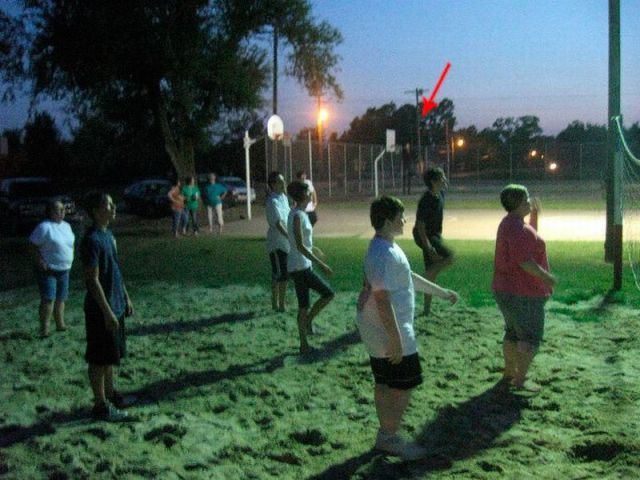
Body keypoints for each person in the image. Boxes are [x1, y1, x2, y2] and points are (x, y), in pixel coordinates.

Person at [357, 195, 458, 460]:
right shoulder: (383, 253)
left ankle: (386, 434)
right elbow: (381, 298)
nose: (405, 220)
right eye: (400, 216)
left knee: (385, 382)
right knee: (404, 383)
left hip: (379, 327)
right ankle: (389, 436)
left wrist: (441, 292)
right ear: (388, 221)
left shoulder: (384, 247)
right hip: (390, 328)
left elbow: (407, 278)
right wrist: (395, 338)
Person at [492, 185, 557, 392]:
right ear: (518, 203)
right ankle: (520, 379)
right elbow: (524, 261)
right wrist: (547, 277)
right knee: (529, 337)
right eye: (526, 199)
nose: (529, 202)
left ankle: (509, 373)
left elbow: (528, 239)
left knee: (512, 333)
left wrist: (535, 215)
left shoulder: (510, 223)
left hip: (505, 289)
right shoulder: (516, 228)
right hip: (522, 292)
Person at [80, 192, 134, 421]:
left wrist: (126, 297)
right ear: (96, 211)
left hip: (116, 303)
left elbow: (116, 269)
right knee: (99, 358)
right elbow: (92, 280)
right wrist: (107, 311)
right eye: (108, 205)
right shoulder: (91, 240)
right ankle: (100, 405)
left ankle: (111, 394)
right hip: (101, 309)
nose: (113, 208)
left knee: (111, 355)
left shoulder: (109, 235)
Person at [287, 180, 334, 353]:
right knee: (326, 294)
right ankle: (304, 338)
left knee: (306, 304)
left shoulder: (299, 213)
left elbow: (302, 242)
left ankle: (306, 332)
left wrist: (314, 249)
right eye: (308, 192)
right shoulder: (297, 215)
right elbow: (299, 245)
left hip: (302, 264)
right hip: (299, 267)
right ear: (302, 195)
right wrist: (321, 264)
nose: (310, 194)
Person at [29, 199, 75, 337]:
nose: (62, 212)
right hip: (48, 270)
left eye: (63, 209)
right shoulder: (44, 227)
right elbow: (32, 245)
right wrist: (40, 261)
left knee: (61, 298)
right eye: (59, 209)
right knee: (49, 298)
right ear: (51, 211)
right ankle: (45, 329)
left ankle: (60, 324)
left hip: (64, 268)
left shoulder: (67, 226)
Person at [412, 167, 454, 316]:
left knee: (432, 272)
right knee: (450, 256)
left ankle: (426, 310)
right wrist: (428, 248)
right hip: (424, 236)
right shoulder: (426, 200)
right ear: (433, 182)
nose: (445, 180)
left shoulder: (440, 194)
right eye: (441, 178)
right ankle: (423, 278)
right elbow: (420, 226)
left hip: (434, 235)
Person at [266, 171, 290, 312]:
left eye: (283, 181)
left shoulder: (283, 198)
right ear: (273, 185)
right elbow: (278, 224)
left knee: (283, 273)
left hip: (285, 243)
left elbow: (287, 218)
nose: (283, 183)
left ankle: (278, 302)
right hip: (276, 243)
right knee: (280, 273)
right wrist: (289, 236)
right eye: (280, 181)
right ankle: (278, 303)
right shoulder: (272, 201)